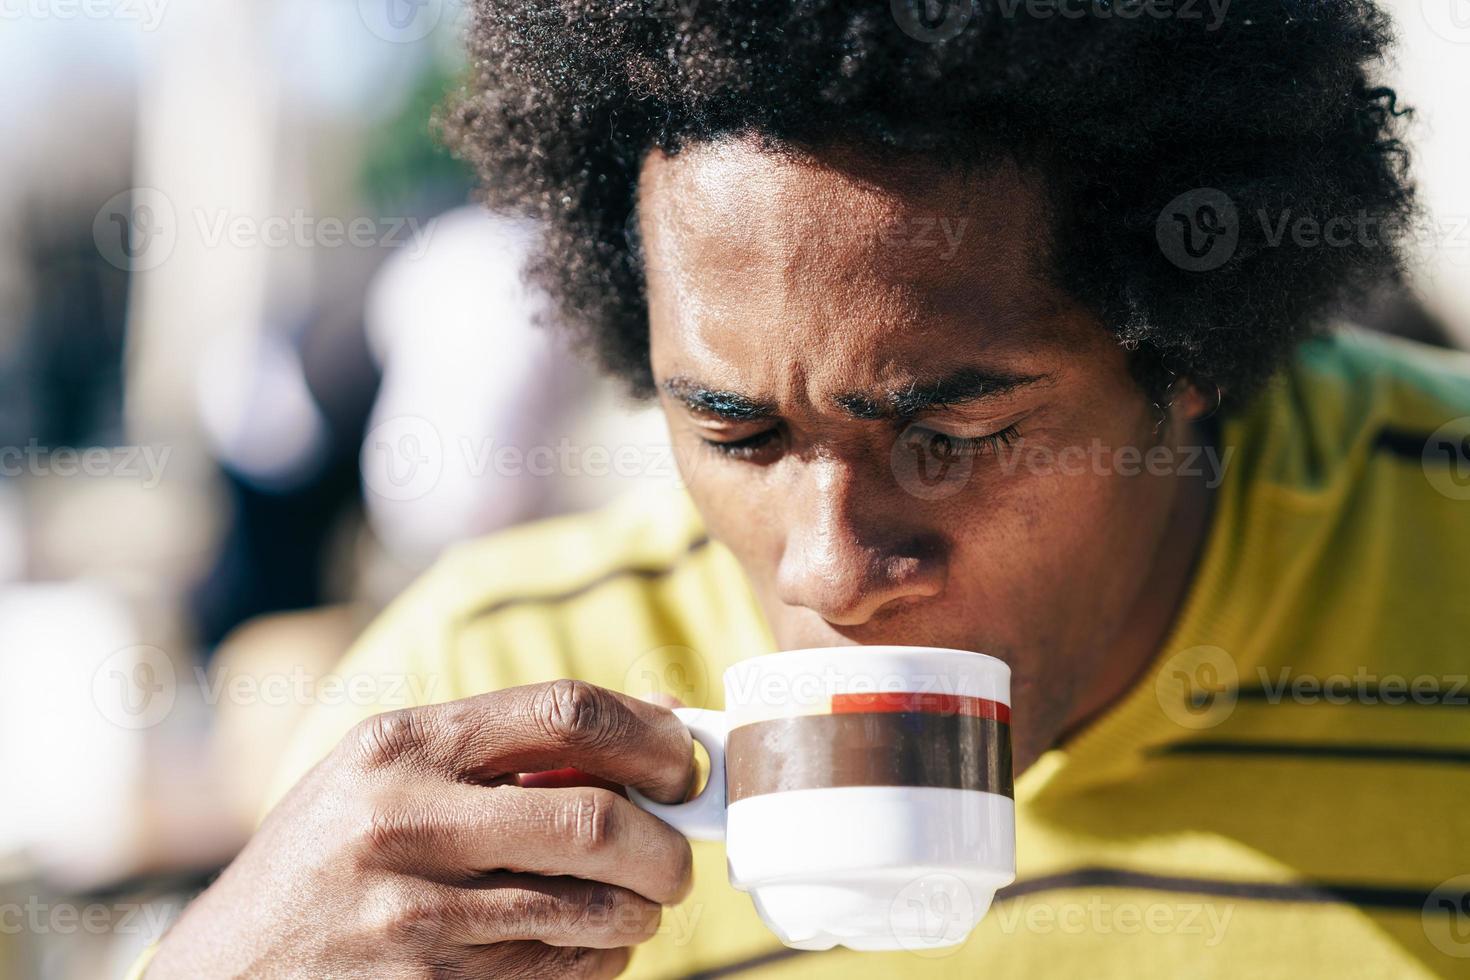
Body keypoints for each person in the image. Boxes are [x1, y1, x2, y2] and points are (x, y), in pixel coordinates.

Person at [137, 2, 1470, 977]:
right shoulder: (480, 703)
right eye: (736, 433)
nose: (823, 568)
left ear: (1188, 355)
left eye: (949, 434)